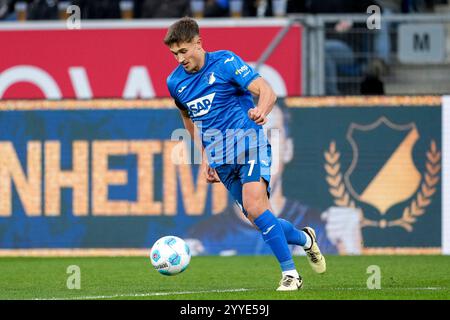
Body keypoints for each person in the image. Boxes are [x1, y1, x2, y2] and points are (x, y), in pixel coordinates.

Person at [164, 17, 326, 291]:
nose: (179, 59)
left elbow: (267, 91)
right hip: (220, 157)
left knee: (254, 207)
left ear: (198, 43)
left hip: (250, 145)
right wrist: (204, 154)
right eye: (174, 54)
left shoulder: (226, 63)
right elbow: (188, 118)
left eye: (183, 51)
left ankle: (291, 275)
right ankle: (305, 238)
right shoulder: (175, 82)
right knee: (260, 217)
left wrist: (261, 110)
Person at [185, 103, 363, 256]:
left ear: (288, 149)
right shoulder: (202, 238)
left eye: (270, 135)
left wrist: (351, 247)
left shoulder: (323, 228)